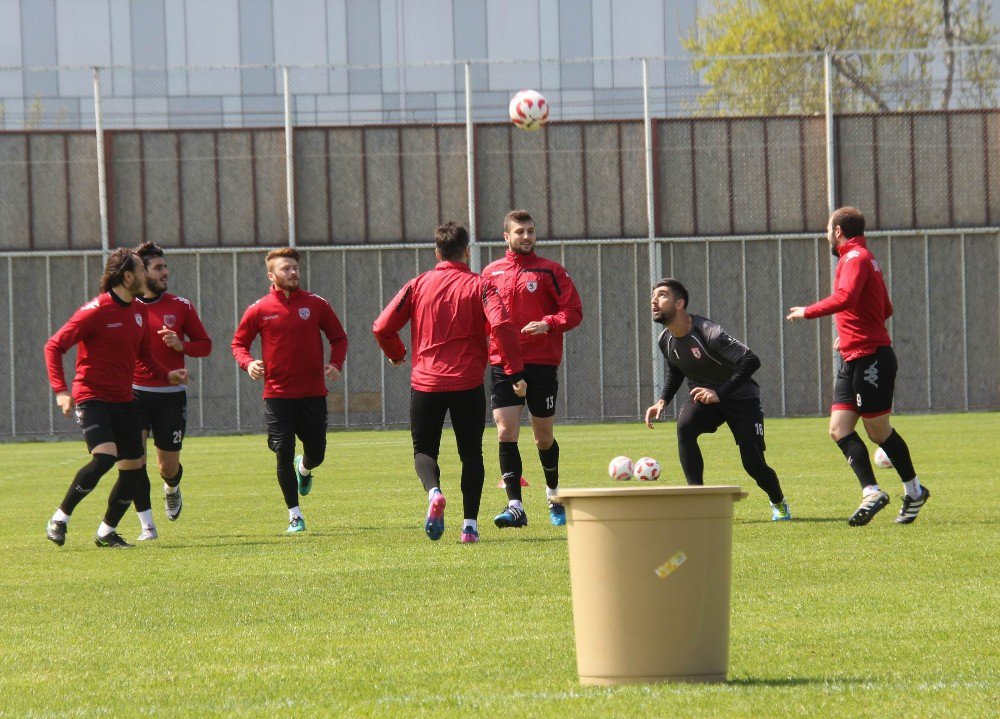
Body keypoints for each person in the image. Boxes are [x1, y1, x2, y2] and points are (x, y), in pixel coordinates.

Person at [373, 221, 526, 544]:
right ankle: (469, 526)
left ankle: (434, 493)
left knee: (424, 450)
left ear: (437, 252)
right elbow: (502, 325)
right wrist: (514, 372)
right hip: (467, 383)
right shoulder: (481, 285)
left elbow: (382, 326)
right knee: (471, 454)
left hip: (426, 383)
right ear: (467, 251)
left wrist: (398, 353)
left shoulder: (418, 284)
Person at [787, 206, 929, 526]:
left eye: (827, 229)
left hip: (872, 358)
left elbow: (848, 298)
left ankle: (914, 491)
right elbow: (885, 308)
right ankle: (871, 492)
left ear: (838, 231)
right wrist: (849, 335)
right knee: (839, 429)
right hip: (854, 355)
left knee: (878, 431)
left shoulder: (855, 258)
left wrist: (808, 311)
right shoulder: (865, 259)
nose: (826, 234)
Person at [44, 248, 188, 548]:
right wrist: (61, 391)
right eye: (141, 269)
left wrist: (167, 375)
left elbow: (144, 354)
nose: (147, 275)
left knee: (133, 472)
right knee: (105, 457)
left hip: (124, 400)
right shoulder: (96, 310)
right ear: (127, 276)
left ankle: (106, 531)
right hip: (92, 397)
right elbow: (54, 346)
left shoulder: (139, 310)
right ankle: (60, 517)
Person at [644, 279, 790, 519]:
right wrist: (663, 400)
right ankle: (697, 500)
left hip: (741, 397)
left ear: (680, 303)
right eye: (653, 296)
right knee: (685, 427)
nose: (653, 301)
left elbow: (751, 360)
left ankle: (779, 502)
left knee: (753, 463)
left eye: (661, 295)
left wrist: (719, 393)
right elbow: (677, 368)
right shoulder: (665, 339)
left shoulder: (708, 332)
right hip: (704, 395)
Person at [231, 248, 348, 534]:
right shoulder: (259, 309)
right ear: (271, 275)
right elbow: (238, 344)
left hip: (312, 395)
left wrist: (335, 364)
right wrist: (248, 364)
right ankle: (295, 515)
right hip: (277, 395)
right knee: (282, 450)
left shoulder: (316, 304)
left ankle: (304, 469)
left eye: (295, 267)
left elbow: (338, 337)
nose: (293, 272)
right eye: (286, 268)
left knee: (317, 453)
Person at [481, 209, 583, 529]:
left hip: (541, 363)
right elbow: (482, 317)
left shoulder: (550, 271)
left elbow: (574, 311)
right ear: (506, 236)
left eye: (530, 231)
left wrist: (548, 324)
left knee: (543, 437)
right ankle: (515, 507)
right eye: (520, 232)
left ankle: (553, 495)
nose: (526, 237)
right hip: (503, 363)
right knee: (505, 431)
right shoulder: (491, 273)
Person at [127, 242, 212, 541]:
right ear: (142, 272)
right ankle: (146, 525)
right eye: (158, 268)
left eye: (165, 267)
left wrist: (182, 346)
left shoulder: (181, 305)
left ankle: (172, 488)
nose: (166, 272)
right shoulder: (127, 306)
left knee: (167, 467)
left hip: (170, 397)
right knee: (134, 459)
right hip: (133, 394)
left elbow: (205, 345)